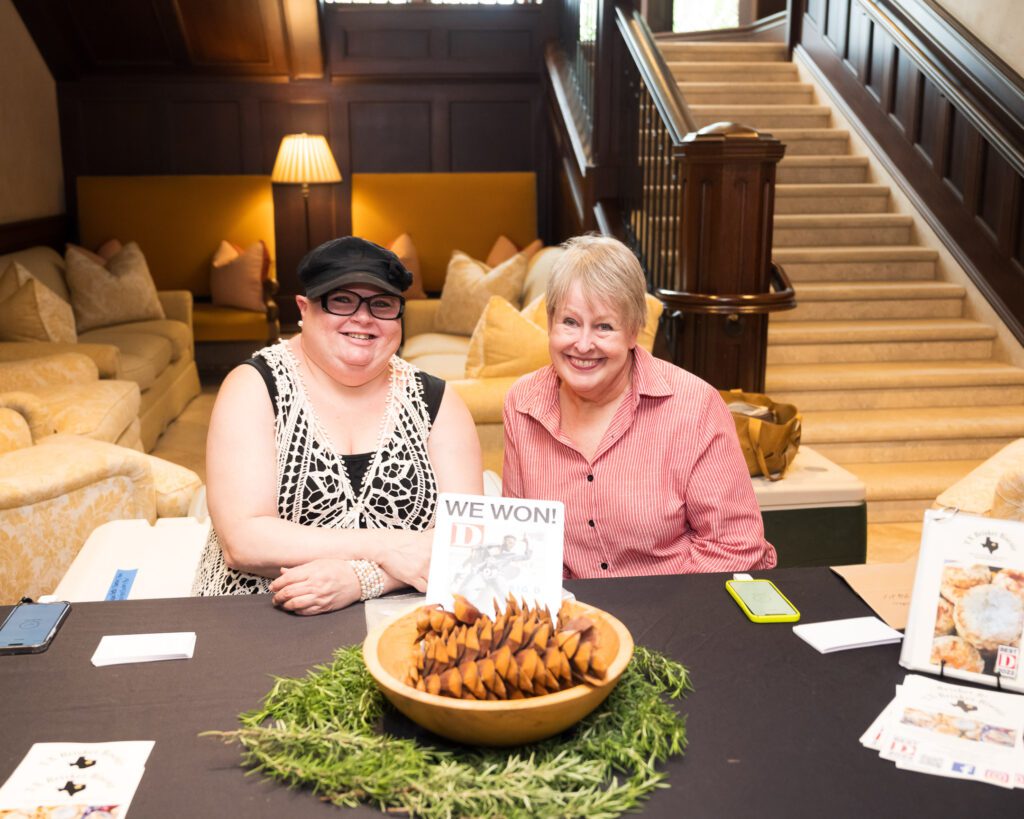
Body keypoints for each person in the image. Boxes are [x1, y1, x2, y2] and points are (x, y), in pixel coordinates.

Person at [192, 237, 483, 613]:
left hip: (407, 609)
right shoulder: (253, 387)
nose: (363, 318)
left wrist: (363, 579)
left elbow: (466, 539)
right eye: (341, 300)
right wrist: (388, 547)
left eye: (382, 304)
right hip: (260, 609)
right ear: (304, 308)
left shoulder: (438, 401)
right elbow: (243, 540)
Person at [502, 235, 777, 578]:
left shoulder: (695, 406)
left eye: (604, 326)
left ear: (633, 332)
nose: (583, 344)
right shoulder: (522, 404)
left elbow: (735, 545)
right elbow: (521, 539)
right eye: (570, 322)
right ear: (549, 323)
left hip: (680, 604)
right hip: (576, 613)